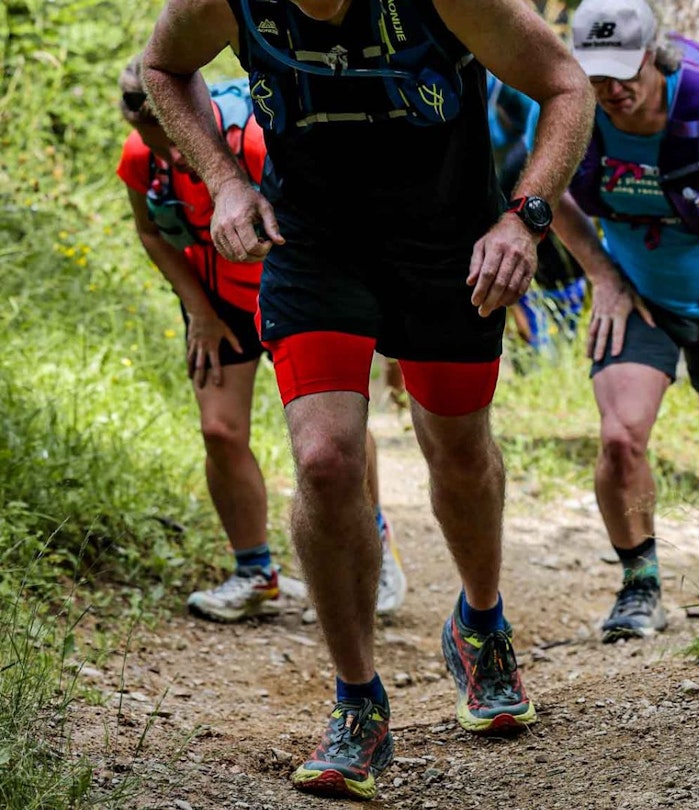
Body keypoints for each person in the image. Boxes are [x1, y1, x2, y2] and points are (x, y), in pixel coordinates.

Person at [142, 0, 592, 799]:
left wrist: (523, 221)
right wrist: (226, 182)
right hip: (311, 246)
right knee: (324, 459)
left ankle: (481, 626)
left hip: (449, 247)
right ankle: (359, 704)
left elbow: (566, 86)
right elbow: (163, 69)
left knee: (455, 448)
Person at [114, 57, 406, 622]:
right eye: (158, 144)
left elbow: (341, 218)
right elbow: (150, 232)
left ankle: (371, 541)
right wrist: (199, 311)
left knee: (334, 433)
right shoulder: (140, 157)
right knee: (219, 429)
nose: (173, 157)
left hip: (297, 296)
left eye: (178, 141)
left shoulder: (253, 142)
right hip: (219, 304)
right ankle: (255, 573)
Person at [550, 0, 699, 642]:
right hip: (638, 298)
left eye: (625, 70)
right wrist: (603, 276)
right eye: (597, 75)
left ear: (655, 53)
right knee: (621, 439)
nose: (613, 90)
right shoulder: (573, 111)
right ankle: (640, 585)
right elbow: (549, 194)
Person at [486, 72, 587, 354]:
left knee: (552, 258)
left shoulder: (504, 87)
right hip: (493, 191)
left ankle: (555, 334)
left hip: (529, 184)